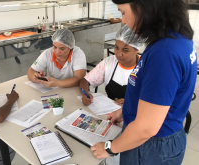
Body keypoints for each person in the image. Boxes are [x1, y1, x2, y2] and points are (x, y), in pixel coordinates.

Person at [90, 0, 197, 165]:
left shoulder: (164, 53)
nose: (123, 21)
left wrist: (110, 147)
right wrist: (127, 110)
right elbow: (158, 98)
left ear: (143, 7)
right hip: (165, 135)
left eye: (123, 12)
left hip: (151, 147)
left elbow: (147, 128)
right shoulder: (177, 38)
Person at [79, 25, 144, 109]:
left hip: (134, 115)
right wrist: (85, 94)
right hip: (110, 112)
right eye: (116, 47)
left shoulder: (145, 68)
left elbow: (154, 101)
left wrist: (132, 102)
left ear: (137, 50)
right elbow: (85, 80)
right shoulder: (109, 62)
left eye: (125, 50)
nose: (118, 54)